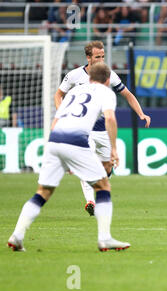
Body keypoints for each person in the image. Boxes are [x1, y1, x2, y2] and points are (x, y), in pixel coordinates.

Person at [7, 62, 130, 252]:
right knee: (103, 185)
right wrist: (113, 149)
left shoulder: (73, 92)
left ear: (89, 78)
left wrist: (59, 152)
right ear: (107, 80)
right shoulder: (106, 93)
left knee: (43, 191)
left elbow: (57, 119)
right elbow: (110, 119)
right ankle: (104, 238)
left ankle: (17, 235)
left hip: (55, 139)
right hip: (76, 140)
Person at [54, 40, 151, 217]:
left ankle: (98, 194)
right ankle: (90, 201)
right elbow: (59, 94)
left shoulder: (109, 75)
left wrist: (141, 113)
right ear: (88, 57)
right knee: (86, 163)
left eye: (103, 56)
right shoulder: (75, 76)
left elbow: (127, 94)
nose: (101, 60)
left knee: (107, 168)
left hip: (104, 131)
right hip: (85, 129)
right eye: (97, 57)